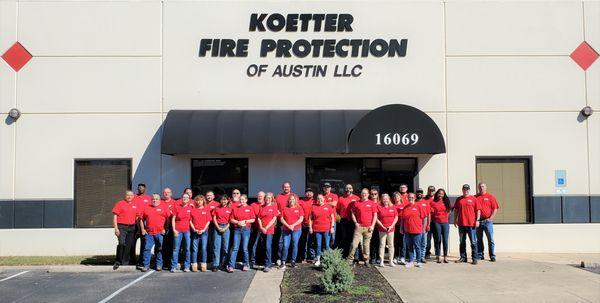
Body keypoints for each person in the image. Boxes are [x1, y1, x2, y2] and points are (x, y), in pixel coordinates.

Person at [347, 188, 377, 267]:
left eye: (365, 193)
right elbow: (352, 213)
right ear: (361, 194)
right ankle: (350, 260)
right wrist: (355, 222)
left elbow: (375, 215)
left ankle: (366, 260)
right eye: (363, 193)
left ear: (368, 194)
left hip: (368, 228)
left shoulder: (372, 203)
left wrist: (372, 226)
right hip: (359, 227)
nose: (364, 194)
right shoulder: (356, 203)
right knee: (354, 244)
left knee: (366, 245)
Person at [140, 194, 170, 272]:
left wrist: (165, 229)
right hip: (149, 233)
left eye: (156, 199)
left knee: (159, 249)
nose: (155, 200)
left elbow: (168, 219)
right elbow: (141, 219)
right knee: (147, 249)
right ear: (151, 200)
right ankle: (146, 265)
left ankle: (159, 265)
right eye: (153, 199)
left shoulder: (164, 208)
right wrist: (143, 229)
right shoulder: (146, 208)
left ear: (159, 200)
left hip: (160, 233)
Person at [227, 194, 256, 272]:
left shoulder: (250, 208)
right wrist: (238, 222)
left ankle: (246, 264)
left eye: (243, 199)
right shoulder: (236, 208)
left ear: (246, 200)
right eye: (241, 199)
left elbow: (253, 219)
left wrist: (245, 221)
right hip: (237, 229)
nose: (242, 201)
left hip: (246, 229)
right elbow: (231, 219)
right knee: (235, 248)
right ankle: (231, 266)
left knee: (244, 248)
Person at [112, 190, 139, 270]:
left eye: (131, 195)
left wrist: (139, 229)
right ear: (125, 196)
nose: (129, 197)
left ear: (133, 196)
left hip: (132, 227)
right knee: (121, 243)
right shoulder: (120, 203)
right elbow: (115, 216)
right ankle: (118, 261)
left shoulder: (135, 205)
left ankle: (125, 262)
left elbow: (137, 217)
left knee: (128, 245)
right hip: (121, 227)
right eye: (128, 195)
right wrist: (116, 228)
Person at [454, 184, 480, 265]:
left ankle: (474, 258)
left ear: (469, 190)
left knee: (473, 242)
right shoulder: (459, 199)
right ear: (462, 190)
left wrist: (477, 220)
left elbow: (478, 210)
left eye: (467, 189)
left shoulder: (474, 199)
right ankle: (463, 257)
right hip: (461, 224)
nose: (466, 191)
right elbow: (456, 211)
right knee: (462, 242)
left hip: (471, 224)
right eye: (464, 189)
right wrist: (455, 220)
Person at [275, 182, 299, 266]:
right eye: (285, 187)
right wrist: (279, 216)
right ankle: (280, 258)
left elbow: (297, 207)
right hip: (281, 223)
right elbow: (275, 208)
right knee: (281, 243)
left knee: (293, 243)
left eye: (288, 187)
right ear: (282, 188)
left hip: (293, 224)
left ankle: (291, 260)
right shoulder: (278, 197)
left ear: (290, 188)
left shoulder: (295, 196)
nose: (286, 188)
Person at [402, 193, 428, 268]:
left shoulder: (419, 206)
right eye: (409, 197)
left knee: (417, 246)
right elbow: (403, 219)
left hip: (417, 230)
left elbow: (425, 217)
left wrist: (423, 228)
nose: (411, 198)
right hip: (407, 230)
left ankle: (419, 261)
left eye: (412, 197)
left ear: (415, 198)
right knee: (410, 247)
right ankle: (411, 261)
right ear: (407, 198)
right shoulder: (405, 207)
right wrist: (402, 228)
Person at [475, 182, 499, 262]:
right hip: (478, 221)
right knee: (479, 239)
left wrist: (491, 218)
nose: (481, 188)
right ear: (478, 188)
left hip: (487, 222)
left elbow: (495, 208)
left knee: (490, 240)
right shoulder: (475, 197)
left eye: (483, 186)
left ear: (486, 187)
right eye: (480, 187)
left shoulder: (490, 197)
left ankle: (492, 255)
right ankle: (480, 255)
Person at [279, 195, 304, 269]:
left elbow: (301, 218)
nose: (291, 201)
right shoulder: (285, 208)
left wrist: (293, 225)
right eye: (290, 199)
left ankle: (293, 261)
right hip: (286, 230)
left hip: (296, 230)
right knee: (285, 245)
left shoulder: (299, 208)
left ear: (295, 200)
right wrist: (288, 225)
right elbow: (281, 219)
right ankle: (283, 262)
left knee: (294, 244)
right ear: (288, 201)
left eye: (293, 199)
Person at [310, 194, 335, 266]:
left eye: (321, 198)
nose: (319, 200)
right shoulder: (313, 207)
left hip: (327, 229)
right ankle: (318, 259)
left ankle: (327, 259)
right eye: (318, 198)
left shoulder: (328, 207)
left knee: (327, 245)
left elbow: (332, 217)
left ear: (324, 199)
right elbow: (310, 218)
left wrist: (332, 227)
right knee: (318, 245)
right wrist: (310, 227)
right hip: (317, 229)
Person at [170, 193, 193, 272]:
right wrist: (174, 230)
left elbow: (191, 221)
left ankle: (187, 266)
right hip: (178, 231)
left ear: (189, 199)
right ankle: (173, 266)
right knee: (176, 249)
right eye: (183, 197)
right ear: (181, 198)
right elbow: (173, 219)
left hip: (187, 231)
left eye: (186, 197)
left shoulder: (191, 208)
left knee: (187, 249)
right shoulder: (176, 207)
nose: (185, 198)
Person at [258, 192, 280, 272]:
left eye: (269, 198)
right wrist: (261, 227)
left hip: (269, 230)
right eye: (266, 198)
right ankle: (266, 263)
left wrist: (266, 227)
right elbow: (259, 218)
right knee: (264, 247)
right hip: (262, 230)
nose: (268, 199)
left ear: (272, 199)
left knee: (268, 247)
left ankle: (268, 265)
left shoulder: (273, 207)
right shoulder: (261, 207)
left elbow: (274, 219)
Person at [337, 184, 359, 258]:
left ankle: (354, 257)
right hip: (344, 221)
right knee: (344, 238)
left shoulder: (356, 198)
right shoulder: (341, 198)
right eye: (346, 188)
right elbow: (338, 210)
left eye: (350, 188)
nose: (348, 190)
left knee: (354, 239)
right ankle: (345, 256)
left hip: (354, 221)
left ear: (352, 189)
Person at [190, 195, 211, 272]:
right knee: (194, 249)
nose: (199, 202)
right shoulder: (193, 210)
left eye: (201, 200)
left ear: (203, 201)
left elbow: (208, 221)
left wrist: (203, 229)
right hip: (195, 232)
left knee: (203, 249)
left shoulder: (206, 210)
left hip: (204, 232)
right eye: (198, 200)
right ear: (196, 201)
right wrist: (194, 229)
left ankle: (203, 264)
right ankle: (194, 264)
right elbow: (190, 221)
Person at [133, 183, 152, 269]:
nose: (141, 189)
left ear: (145, 189)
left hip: (143, 223)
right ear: (137, 188)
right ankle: (132, 259)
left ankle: (141, 260)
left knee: (144, 243)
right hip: (133, 222)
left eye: (142, 187)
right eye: (139, 187)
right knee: (132, 242)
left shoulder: (148, 198)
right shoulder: (134, 197)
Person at [376, 194, 398, 267]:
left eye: (386, 199)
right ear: (382, 200)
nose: (385, 200)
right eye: (384, 199)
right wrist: (382, 226)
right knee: (382, 245)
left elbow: (396, 217)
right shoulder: (379, 207)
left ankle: (391, 261)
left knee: (391, 245)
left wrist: (391, 226)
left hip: (391, 229)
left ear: (389, 199)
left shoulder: (393, 207)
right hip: (382, 229)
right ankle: (381, 261)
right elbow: (376, 218)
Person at [212, 195, 233, 271]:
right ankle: (215, 265)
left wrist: (225, 228)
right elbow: (214, 218)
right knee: (216, 247)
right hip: (217, 227)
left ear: (227, 200)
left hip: (226, 228)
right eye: (222, 200)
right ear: (220, 201)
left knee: (225, 247)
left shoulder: (230, 209)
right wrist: (218, 227)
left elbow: (230, 220)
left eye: (225, 200)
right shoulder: (216, 208)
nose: (223, 201)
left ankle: (224, 264)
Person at [431, 188, 451, 263]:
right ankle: (438, 256)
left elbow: (449, 210)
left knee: (445, 240)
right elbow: (431, 212)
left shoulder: (446, 201)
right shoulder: (433, 202)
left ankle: (445, 256)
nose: (440, 195)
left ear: (444, 194)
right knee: (437, 240)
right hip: (437, 223)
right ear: (437, 194)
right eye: (439, 193)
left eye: (442, 194)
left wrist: (445, 217)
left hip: (445, 223)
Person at [249, 191, 266, 269]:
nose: (260, 197)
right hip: (255, 228)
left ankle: (262, 261)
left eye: (261, 196)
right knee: (254, 245)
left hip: (265, 229)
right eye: (258, 196)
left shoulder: (266, 205)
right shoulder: (253, 205)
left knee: (264, 245)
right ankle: (253, 261)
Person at [161, 187, 176, 269]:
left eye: (168, 192)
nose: (166, 194)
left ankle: (170, 263)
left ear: (171, 193)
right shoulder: (160, 202)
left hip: (171, 227)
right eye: (165, 192)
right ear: (163, 194)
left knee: (171, 245)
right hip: (161, 227)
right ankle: (163, 263)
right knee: (162, 246)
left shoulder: (174, 202)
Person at [298, 188, 314, 263]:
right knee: (303, 241)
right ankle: (302, 257)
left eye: (310, 192)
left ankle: (311, 257)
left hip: (312, 225)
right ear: (305, 194)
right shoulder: (301, 202)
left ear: (313, 194)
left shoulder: (315, 201)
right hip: (302, 224)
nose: (309, 193)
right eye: (307, 192)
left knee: (311, 241)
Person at [415, 189, 431, 264]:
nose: (419, 194)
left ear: (423, 194)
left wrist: (428, 224)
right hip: (415, 225)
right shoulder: (413, 202)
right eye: (418, 192)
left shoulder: (426, 202)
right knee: (416, 241)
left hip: (424, 224)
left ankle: (422, 257)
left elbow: (428, 214)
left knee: (423, 242)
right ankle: (416, 257)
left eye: (421, 192)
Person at [321, 182, 338, 248]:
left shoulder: (334, 195)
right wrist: (328, 203)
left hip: (332, 221)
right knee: (324, 238)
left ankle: (332, 254)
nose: (326, 189)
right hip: (323, 221)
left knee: (332, 237)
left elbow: (334, 204)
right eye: (325, 187)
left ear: (330, 188)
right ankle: (324, 253)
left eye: (328, 187)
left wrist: (323, 203)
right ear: (323, 188)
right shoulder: (321, 196)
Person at [392, 191, 406, 264]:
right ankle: (396, 256)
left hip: (402, 225)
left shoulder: (404, 206)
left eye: (397, 196)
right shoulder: (392, 206)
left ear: (400, 197)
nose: (396, 198)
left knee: (403, 242)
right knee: (395, 242)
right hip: (394, 225)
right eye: (394, 197)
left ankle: (402, 257)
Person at [369, 187, 381, 264]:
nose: (374, 195)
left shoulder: (381, 203)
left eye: (375, 194)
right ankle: (373, 257)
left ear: (377, 195)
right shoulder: (368, 202)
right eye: (372, 194)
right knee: (372, 242)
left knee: (380, 243)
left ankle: (379, 257)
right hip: (371, 226)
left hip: (380, 226)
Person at [423, 185, 436, 260]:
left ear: (434, 191)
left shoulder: (437, 199)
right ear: (427, 191)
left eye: (432, 190)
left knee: (436, 238)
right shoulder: (424, 199)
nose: (431, 192)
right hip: (428, 221)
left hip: (436, 221)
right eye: (430, 190)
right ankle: (427, 252)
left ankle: (437, 253)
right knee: (427, 238)